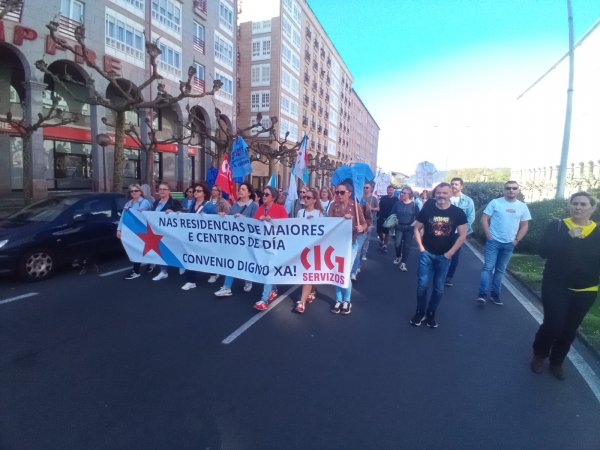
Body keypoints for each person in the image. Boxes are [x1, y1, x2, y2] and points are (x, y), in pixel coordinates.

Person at [531, 192, 600, 380]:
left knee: (569, 329)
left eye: (583, 204)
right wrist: (567, 238)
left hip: (586, 290)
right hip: (556, 285)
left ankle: (557, 361)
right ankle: (539, 355)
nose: (578, 207)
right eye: (574, 203)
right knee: (553, 325)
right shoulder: (558, 226)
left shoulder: (598, 231)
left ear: (593, 208)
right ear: (569, 205)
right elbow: (543, 251)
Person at [410, 182, 467, 328]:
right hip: (427, 254)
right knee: (422, 285)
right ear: (435, 194)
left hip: (444, 256)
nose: (441, 195)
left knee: (439, 288)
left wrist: (450, 253)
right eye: (439, 193)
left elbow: (462, 235)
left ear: (450, 194)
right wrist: (421, 248)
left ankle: (431, 313)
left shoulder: (458, 213)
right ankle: (420, 312)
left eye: (445, 193)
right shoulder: (427, 210)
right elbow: (416, 228)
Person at [477, 181, 531, 305]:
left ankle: (495, 295)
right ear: (504, 190)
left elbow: (525, 226)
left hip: (509, 244)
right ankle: (482, 294)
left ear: (518, 190)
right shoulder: (495, 203)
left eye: (514, 188)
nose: (511, 190)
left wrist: (517, 240)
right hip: (493, 241)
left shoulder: (522, 206)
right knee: (488, 268)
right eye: (508, 188)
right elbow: (484, 218)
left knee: (500, 270)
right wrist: (488, 235)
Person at [214, 182, 260, 297]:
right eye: (240, 189)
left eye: (243, 189)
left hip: (248, 240)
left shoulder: (254, 205)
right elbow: (230, 219)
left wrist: (244, 218)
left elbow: (256, 222)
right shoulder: (234, 205)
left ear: (249, 193)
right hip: (235, 240)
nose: (240, 191)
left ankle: (248, 280)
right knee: (232, 261)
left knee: (246, 261)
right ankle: (227, 287)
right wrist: (224, 216)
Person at [328, 181, 367, 315]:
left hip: (351, 243)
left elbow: (364, 224)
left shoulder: (356, 206)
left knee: (345, 272)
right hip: (337, 244)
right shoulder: (333, 205)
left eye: (342, 192)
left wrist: (361, 228)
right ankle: (338, 300)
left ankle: (346, 300)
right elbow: (328, 223)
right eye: (337, 192)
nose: (339, 195)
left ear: (349, 193)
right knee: (337, 272)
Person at [253, 186, 289, 311]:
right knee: (268, 270)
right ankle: (273, 289)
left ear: (273, 197)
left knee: (269, 270)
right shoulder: (260, 209)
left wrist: (273, 221)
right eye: (263, 194)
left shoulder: (280, 209)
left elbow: (287, 226)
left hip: (275, 246)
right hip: (263, 246)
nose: (264, 196)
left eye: (267, 194)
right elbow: (252, 225)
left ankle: (264, 300)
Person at [180, 182, 217, 290]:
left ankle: (214, 273)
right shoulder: (192, 204)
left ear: (204, 193)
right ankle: (191, 281)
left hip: (205, 236)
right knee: (190, 255)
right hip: (193, 235)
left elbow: (215, 222)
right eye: (195, 190)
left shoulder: (209, 206)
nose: (196, 192)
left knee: (207, 256)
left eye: (199, 191)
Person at [294, 188, 325, 313]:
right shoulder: (300, 212)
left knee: (308, 273)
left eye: (308, 197)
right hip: (302, 246)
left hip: (314, 248)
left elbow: (325, 229)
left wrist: (315, 222)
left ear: (314, 200)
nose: (305, 199)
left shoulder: (319, 213)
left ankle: (301, 302)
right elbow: (295, 228)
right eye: (304, 197)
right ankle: (311, 290)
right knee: (305, 273)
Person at [444, 177, 475, 286]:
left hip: (458, 234)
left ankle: (449, 277)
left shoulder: (468, 200)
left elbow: (471, 216)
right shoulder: (445, 198)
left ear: (461, 187)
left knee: (454, 256)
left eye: (456, 184)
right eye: (452, 184)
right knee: (442, 254)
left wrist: (463, 228)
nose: (453, 186)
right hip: (444, 232)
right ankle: (441, 274)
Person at [119, 183, 153, 280]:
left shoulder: (144, 202)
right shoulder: (128, 203)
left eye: (136, 191)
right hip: (131, 231)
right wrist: (119, 229)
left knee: (140, 250)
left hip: (142, 231)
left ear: (140, 192)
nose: (134, 193)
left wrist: (129, 210)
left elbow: (138, 214)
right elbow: (123, 217)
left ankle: (136, 270)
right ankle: (145, 265)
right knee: (135, 250)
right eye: (132, 191)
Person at [150, 182, 182, 281]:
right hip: (157, 231)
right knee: (161, 249)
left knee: (176, 249)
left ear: (169, 191)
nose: (162, 191)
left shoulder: (174, 202)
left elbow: (181, 214)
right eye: (160, 189)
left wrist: (173, 213)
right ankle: (163, 271)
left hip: (170, 232)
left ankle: (182, 264)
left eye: (164, 189)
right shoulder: (156, 202)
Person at [390, 186, 419, 272]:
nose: (402, 194)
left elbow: (418, 218)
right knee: (397, 244)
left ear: (409, 194)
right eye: (401, 192)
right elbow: (392, 214)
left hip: (409, 228)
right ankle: (398, 256)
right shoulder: (397, 204)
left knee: (407, 246)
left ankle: (403, 263)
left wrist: (411, 226)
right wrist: (393, 224)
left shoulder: (414, 205)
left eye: (404, 193)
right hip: (398, 226)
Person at [359, 182, 379, 261]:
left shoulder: (374, 198)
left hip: (370, 220)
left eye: (367, 187)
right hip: (361, 220)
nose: (365, 189)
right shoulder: (361, 197)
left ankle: (364, 253)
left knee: (367, 238)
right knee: (360, 236)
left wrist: (372, 208)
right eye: (364, 187)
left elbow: (378, 208)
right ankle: (359, 251)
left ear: (371, 189)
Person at [377, 185, 398, 253]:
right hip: (381, 217)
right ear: (386, 190)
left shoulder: (396, 199)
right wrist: (378, 215)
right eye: (388, 190)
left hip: (390, 219)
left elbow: (397, 209)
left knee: (387, 233)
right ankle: (381, 240)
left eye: (391, 190)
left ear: (393, 191)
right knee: (379, 231)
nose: (389, 191)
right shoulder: (383, 198)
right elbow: (379, 207)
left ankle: (385, 245)